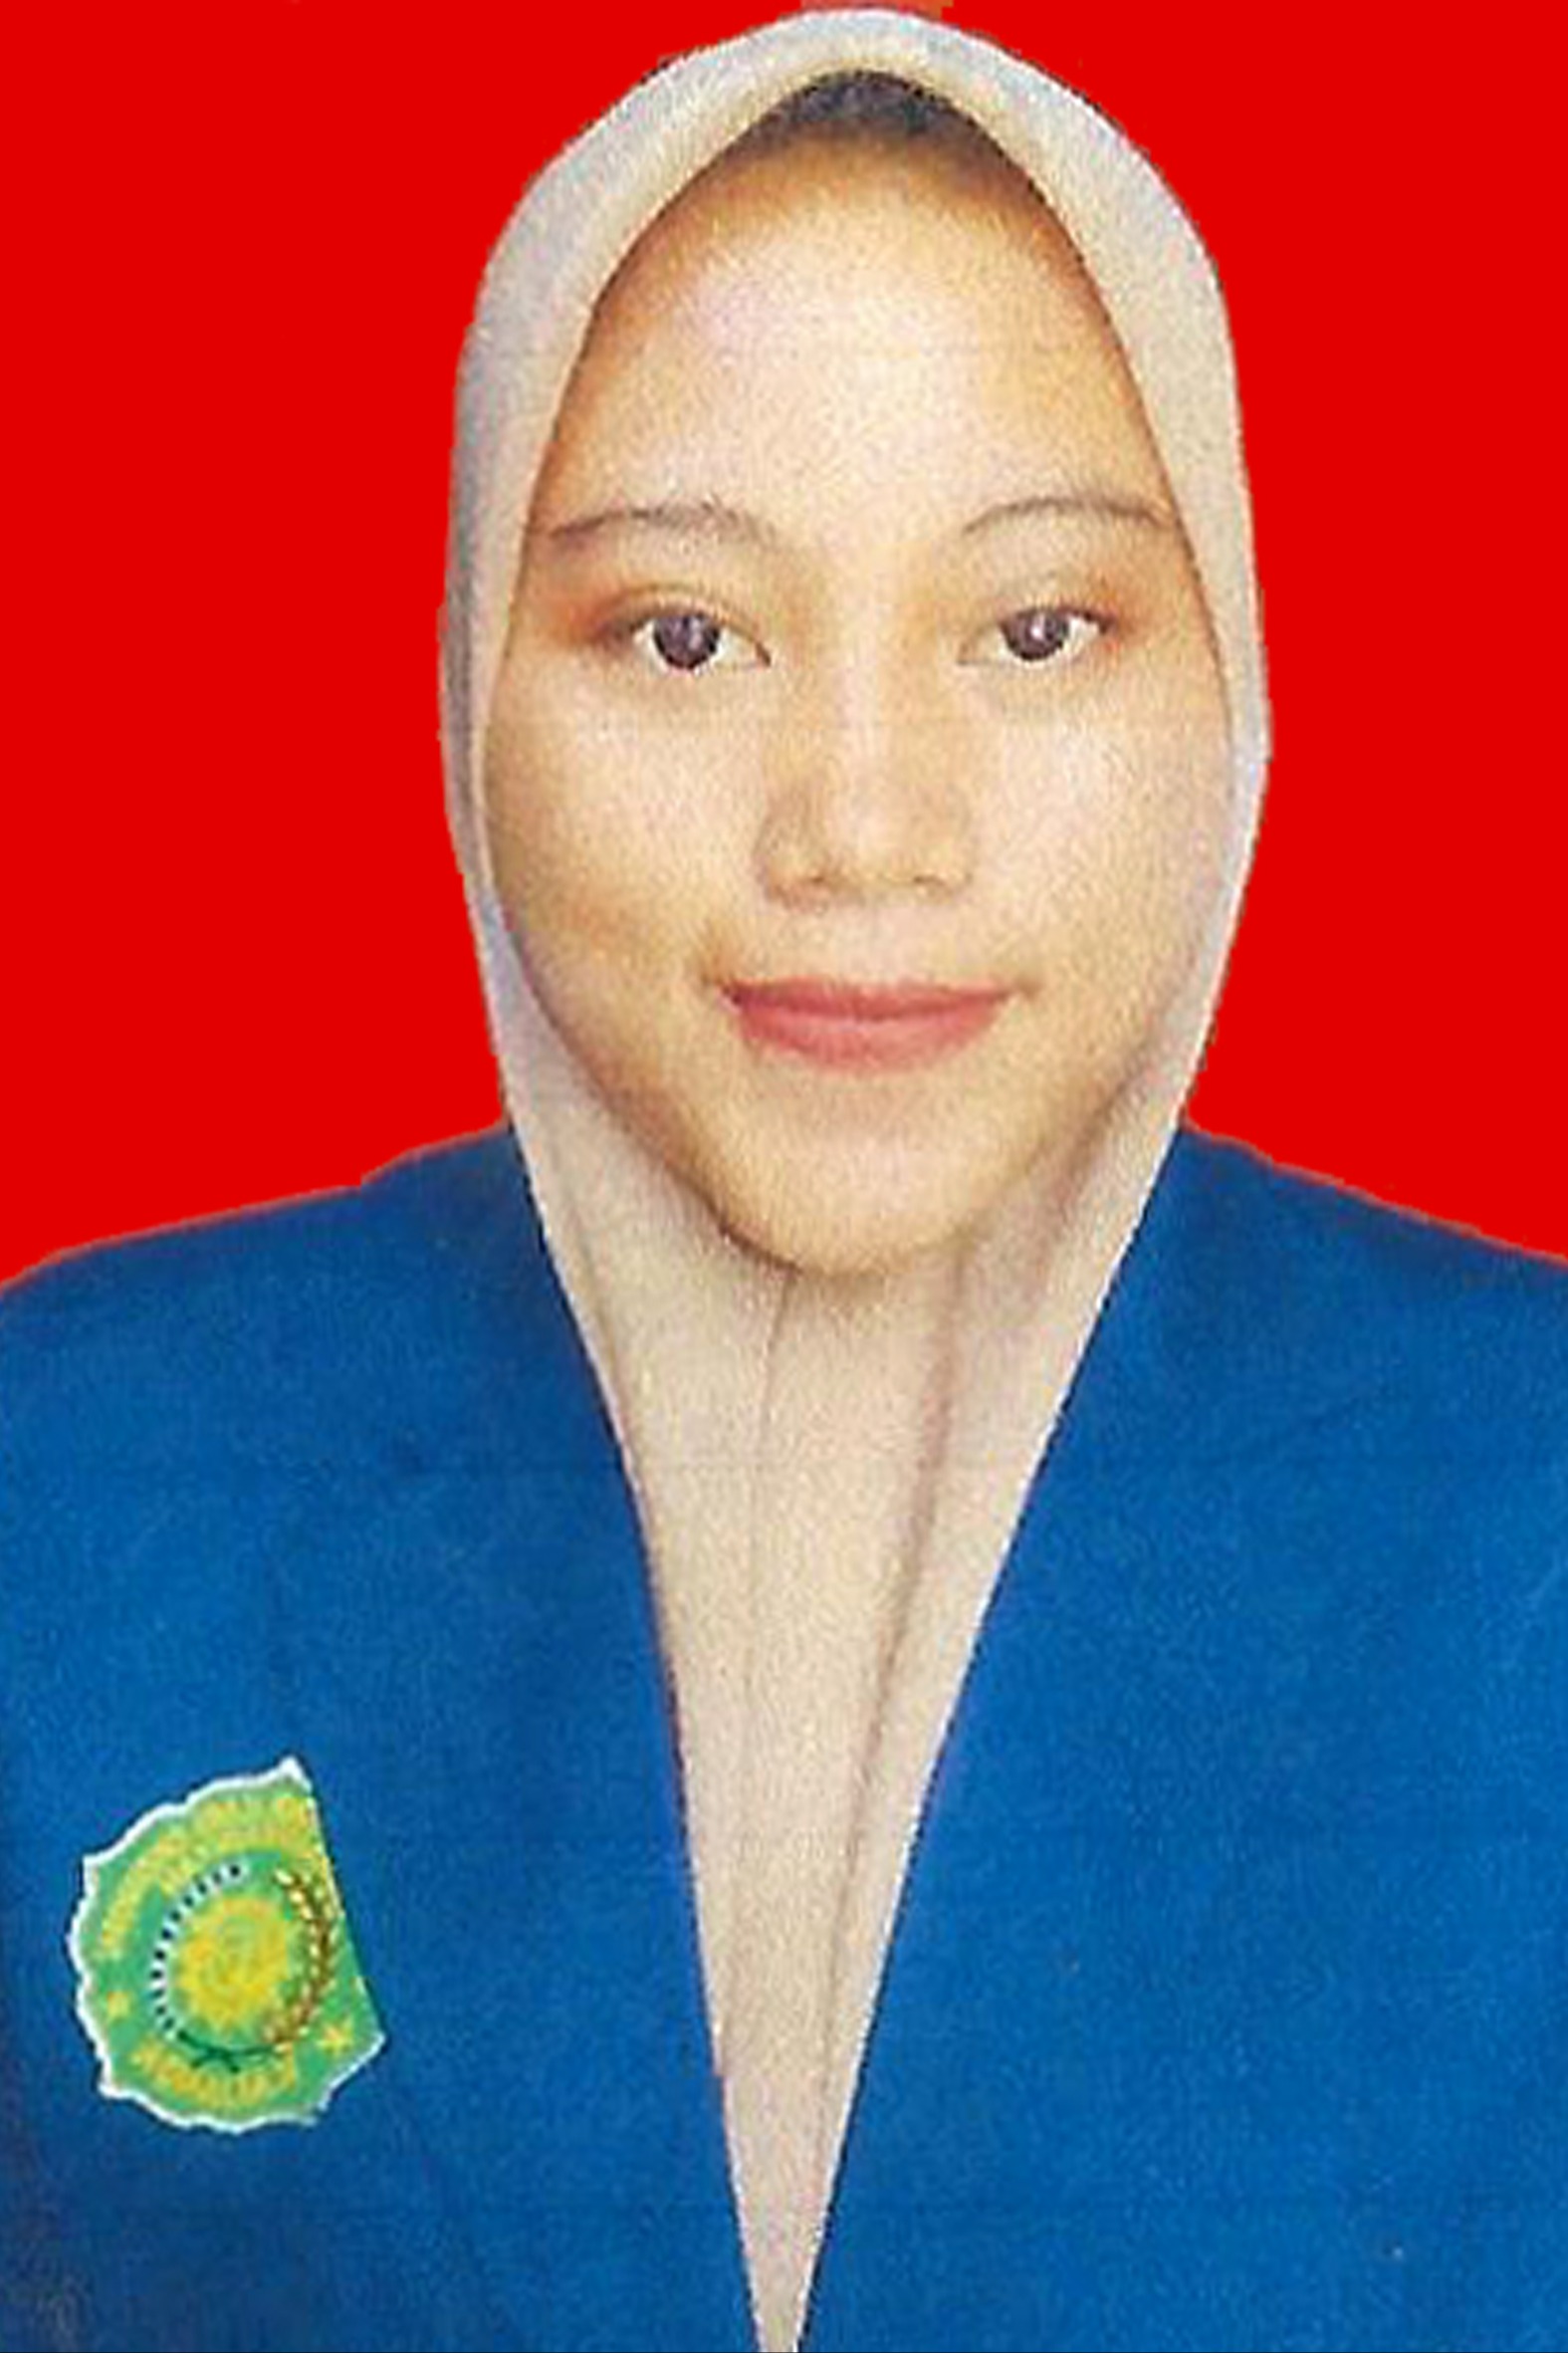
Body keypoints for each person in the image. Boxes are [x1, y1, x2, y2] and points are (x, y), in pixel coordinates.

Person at [3, 12, 1567, 2352]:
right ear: (471, 677)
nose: (859, 824)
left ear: (1229, 685)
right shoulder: (75, 1478)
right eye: (684, 634)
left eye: (1033, 630)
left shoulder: (1525, 1490)